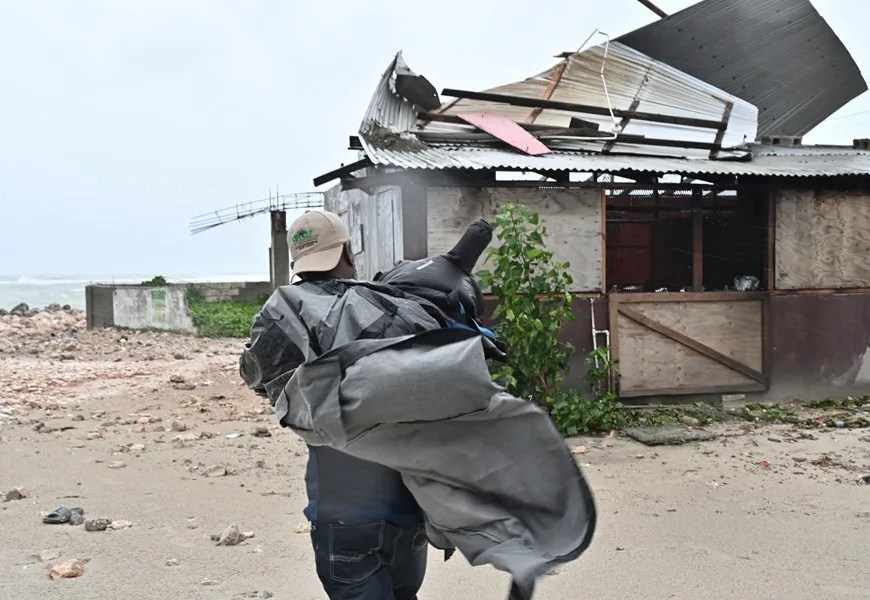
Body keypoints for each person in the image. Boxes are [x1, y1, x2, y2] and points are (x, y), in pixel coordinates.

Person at [242, 210, 428, 600]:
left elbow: (257, 377)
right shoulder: (392, 304)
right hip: (411, 505)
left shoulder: (283, 313)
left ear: (296, 261)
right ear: (347, 250)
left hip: (343, 511)